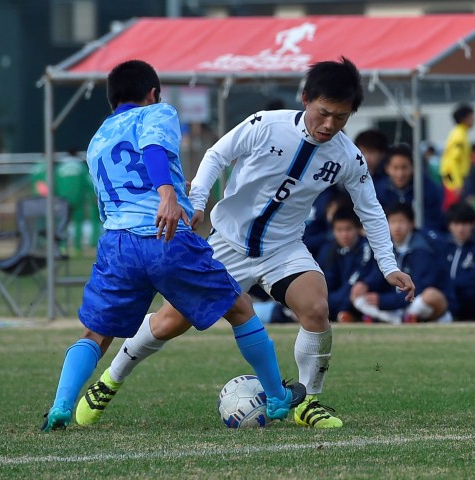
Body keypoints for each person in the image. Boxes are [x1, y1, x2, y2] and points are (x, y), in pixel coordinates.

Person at [78, 57, 415, 429]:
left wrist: (389, 266)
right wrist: (200, 201)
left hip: (283, 250)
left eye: (341, 117)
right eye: (324, 113)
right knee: (170, 322)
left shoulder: (347, 157)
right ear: (305, 98)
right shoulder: (264, 125)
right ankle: (110, 380)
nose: (330, 125)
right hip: (228, 244)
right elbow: (216, 155)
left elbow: (370, 209)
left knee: (316, 307)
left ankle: (308, 401)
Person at [40, 60, 305, 432]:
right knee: (241, 309)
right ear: (152, 93)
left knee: (96, 334)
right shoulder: (158, 112)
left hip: (117, 245)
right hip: (164, 236)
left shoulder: (98, 137)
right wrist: (166, 192)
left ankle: (61, 406)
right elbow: (152, 149)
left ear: (111, 100)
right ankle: (278, 397)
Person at [351, 202, 455, 324]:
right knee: (357, 295)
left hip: (417, 301)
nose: (397, 227)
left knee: (431, 296)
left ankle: (395, 318)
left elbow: (420, 287)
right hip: (396, 305)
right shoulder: (384, 247)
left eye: (401, 222)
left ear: (411, 224)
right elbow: (378, 276)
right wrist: (366, 284)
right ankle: (399, 319)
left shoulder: (423, 249)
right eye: (393, 222)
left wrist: (384, 301)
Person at [316, 207, 378, 323]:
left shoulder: (367, 247)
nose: (344, 234)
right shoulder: (329, 250)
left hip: (360, 297)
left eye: (348, 229)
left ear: (358, 229)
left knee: (357, 291)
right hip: (336, 299)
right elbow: (326, 280)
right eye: (339, 230)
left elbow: (358, 278)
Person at [32, 149, 101, 253]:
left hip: (58, 199)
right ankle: (78, 247)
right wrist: (91, 196)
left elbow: (53, 184)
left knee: (61, 223)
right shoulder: (81, 167)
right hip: (78, 198)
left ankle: (61, 246)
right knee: (78, 222)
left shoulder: (58, 168)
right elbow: (88, 183)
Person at [442, 202, 475, 320]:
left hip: (469, 302)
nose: (461, 229)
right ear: (449, 225)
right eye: (456, 224)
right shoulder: (443, 246)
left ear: (473, 224)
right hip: (446, 297)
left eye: (465, 224)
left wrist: (451, 285)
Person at [374, 143, 445, 232]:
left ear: (413, 167)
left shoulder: (428, 189)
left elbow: (434, 220)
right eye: (395, 168)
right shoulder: (377, 191)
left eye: (404, 167)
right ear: (387, 168)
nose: (400, 174)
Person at [440, 103, 475, 210]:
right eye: (472, 116)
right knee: (455, 211)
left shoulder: (460, 133)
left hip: (456, 178)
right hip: (454, 180)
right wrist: (457, 184)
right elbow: (454, 161)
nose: (474, 120)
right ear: (465, 118)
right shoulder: (459, 136)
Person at [461, 143, 475, 214]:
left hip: (473, 195)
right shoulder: (469, 165)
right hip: (470, 196)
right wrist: (470, 195)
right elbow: (468, 181)